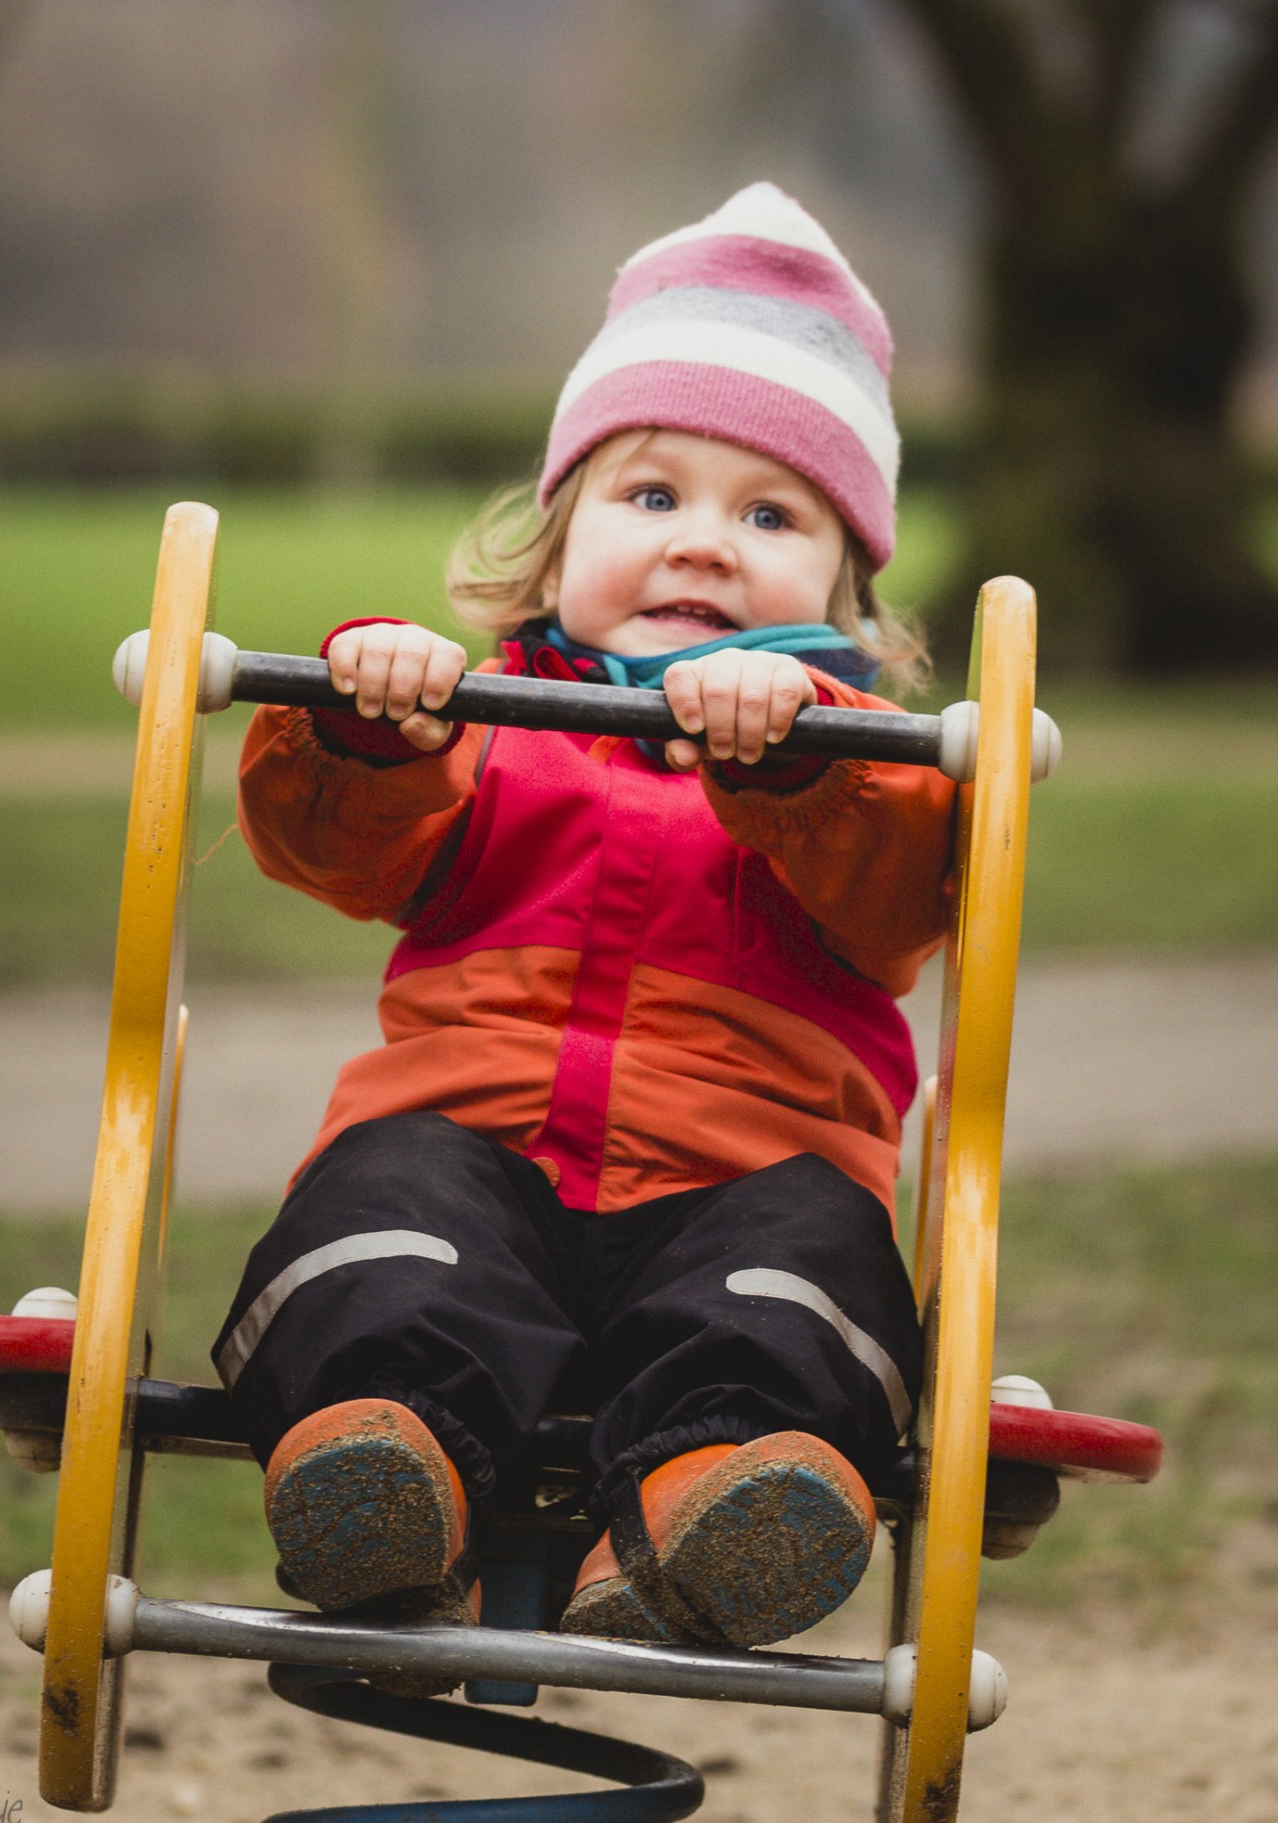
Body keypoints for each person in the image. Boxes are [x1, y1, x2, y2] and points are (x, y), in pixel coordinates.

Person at [212, 183, 1046, 1668]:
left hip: (746, 1180)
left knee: (806, 1278)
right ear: (558, 535)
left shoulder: (873, 762)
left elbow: (915, 889)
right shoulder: (480, 721)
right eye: (651, 497)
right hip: (471, 1153)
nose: (704, 546)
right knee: (377, 1221)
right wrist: (370, 723)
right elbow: (323, 849)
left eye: (771, 515)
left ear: (848, 593)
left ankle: (710, 1509)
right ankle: (385, 1472)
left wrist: (792, 757)